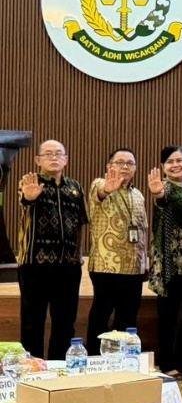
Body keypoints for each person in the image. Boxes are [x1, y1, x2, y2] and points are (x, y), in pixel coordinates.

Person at [15, 140, 87, 359]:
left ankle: (59, 367)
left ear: (66, 159)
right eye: (47, 154)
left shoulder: (75, 187)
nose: (53, 157)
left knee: (65, 323)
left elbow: (81, 223)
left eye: (58, 153)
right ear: (38, 160)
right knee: (32, 322)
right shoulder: (29, 182)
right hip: (34, 265)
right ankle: (32, 368)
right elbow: (25, 201)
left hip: (68, 267)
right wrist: (29, 197)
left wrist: (78, 258)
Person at [86, 148, 148, 354]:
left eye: (130, 163)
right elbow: (100, 193)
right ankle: (95, 358)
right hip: (106, 265)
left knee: (128, 317)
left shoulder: (138, 195)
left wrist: (144, 262)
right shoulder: (99, 184)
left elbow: (142, 230)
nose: (125, 167)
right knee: (101, 315)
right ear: (109, 166)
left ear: (135, 168)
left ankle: (123, 360)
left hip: (133, 268)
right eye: (120, 162)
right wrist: (107, 189)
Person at [147, 145, 182, 379]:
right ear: (163, 166)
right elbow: (161, 201)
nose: (175, 165)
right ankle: (167, 364)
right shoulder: (162, 187)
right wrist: (158, 195)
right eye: (170, 161)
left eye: (180, 160)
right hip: (168, 261)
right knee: (168, 316)